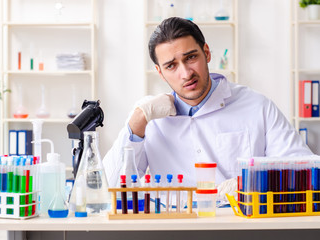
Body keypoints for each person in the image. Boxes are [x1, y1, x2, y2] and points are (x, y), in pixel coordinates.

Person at [103, 17, 312, 188]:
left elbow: (304, 172)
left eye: (191, 57)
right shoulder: (149, 119)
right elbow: (108, 188)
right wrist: (137, 122)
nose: (186, 73)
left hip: (240, 225)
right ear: (159, 72)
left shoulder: (257, 106)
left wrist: (249, 183)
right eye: (171, 66)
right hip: (173, 228)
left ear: (207, 52)